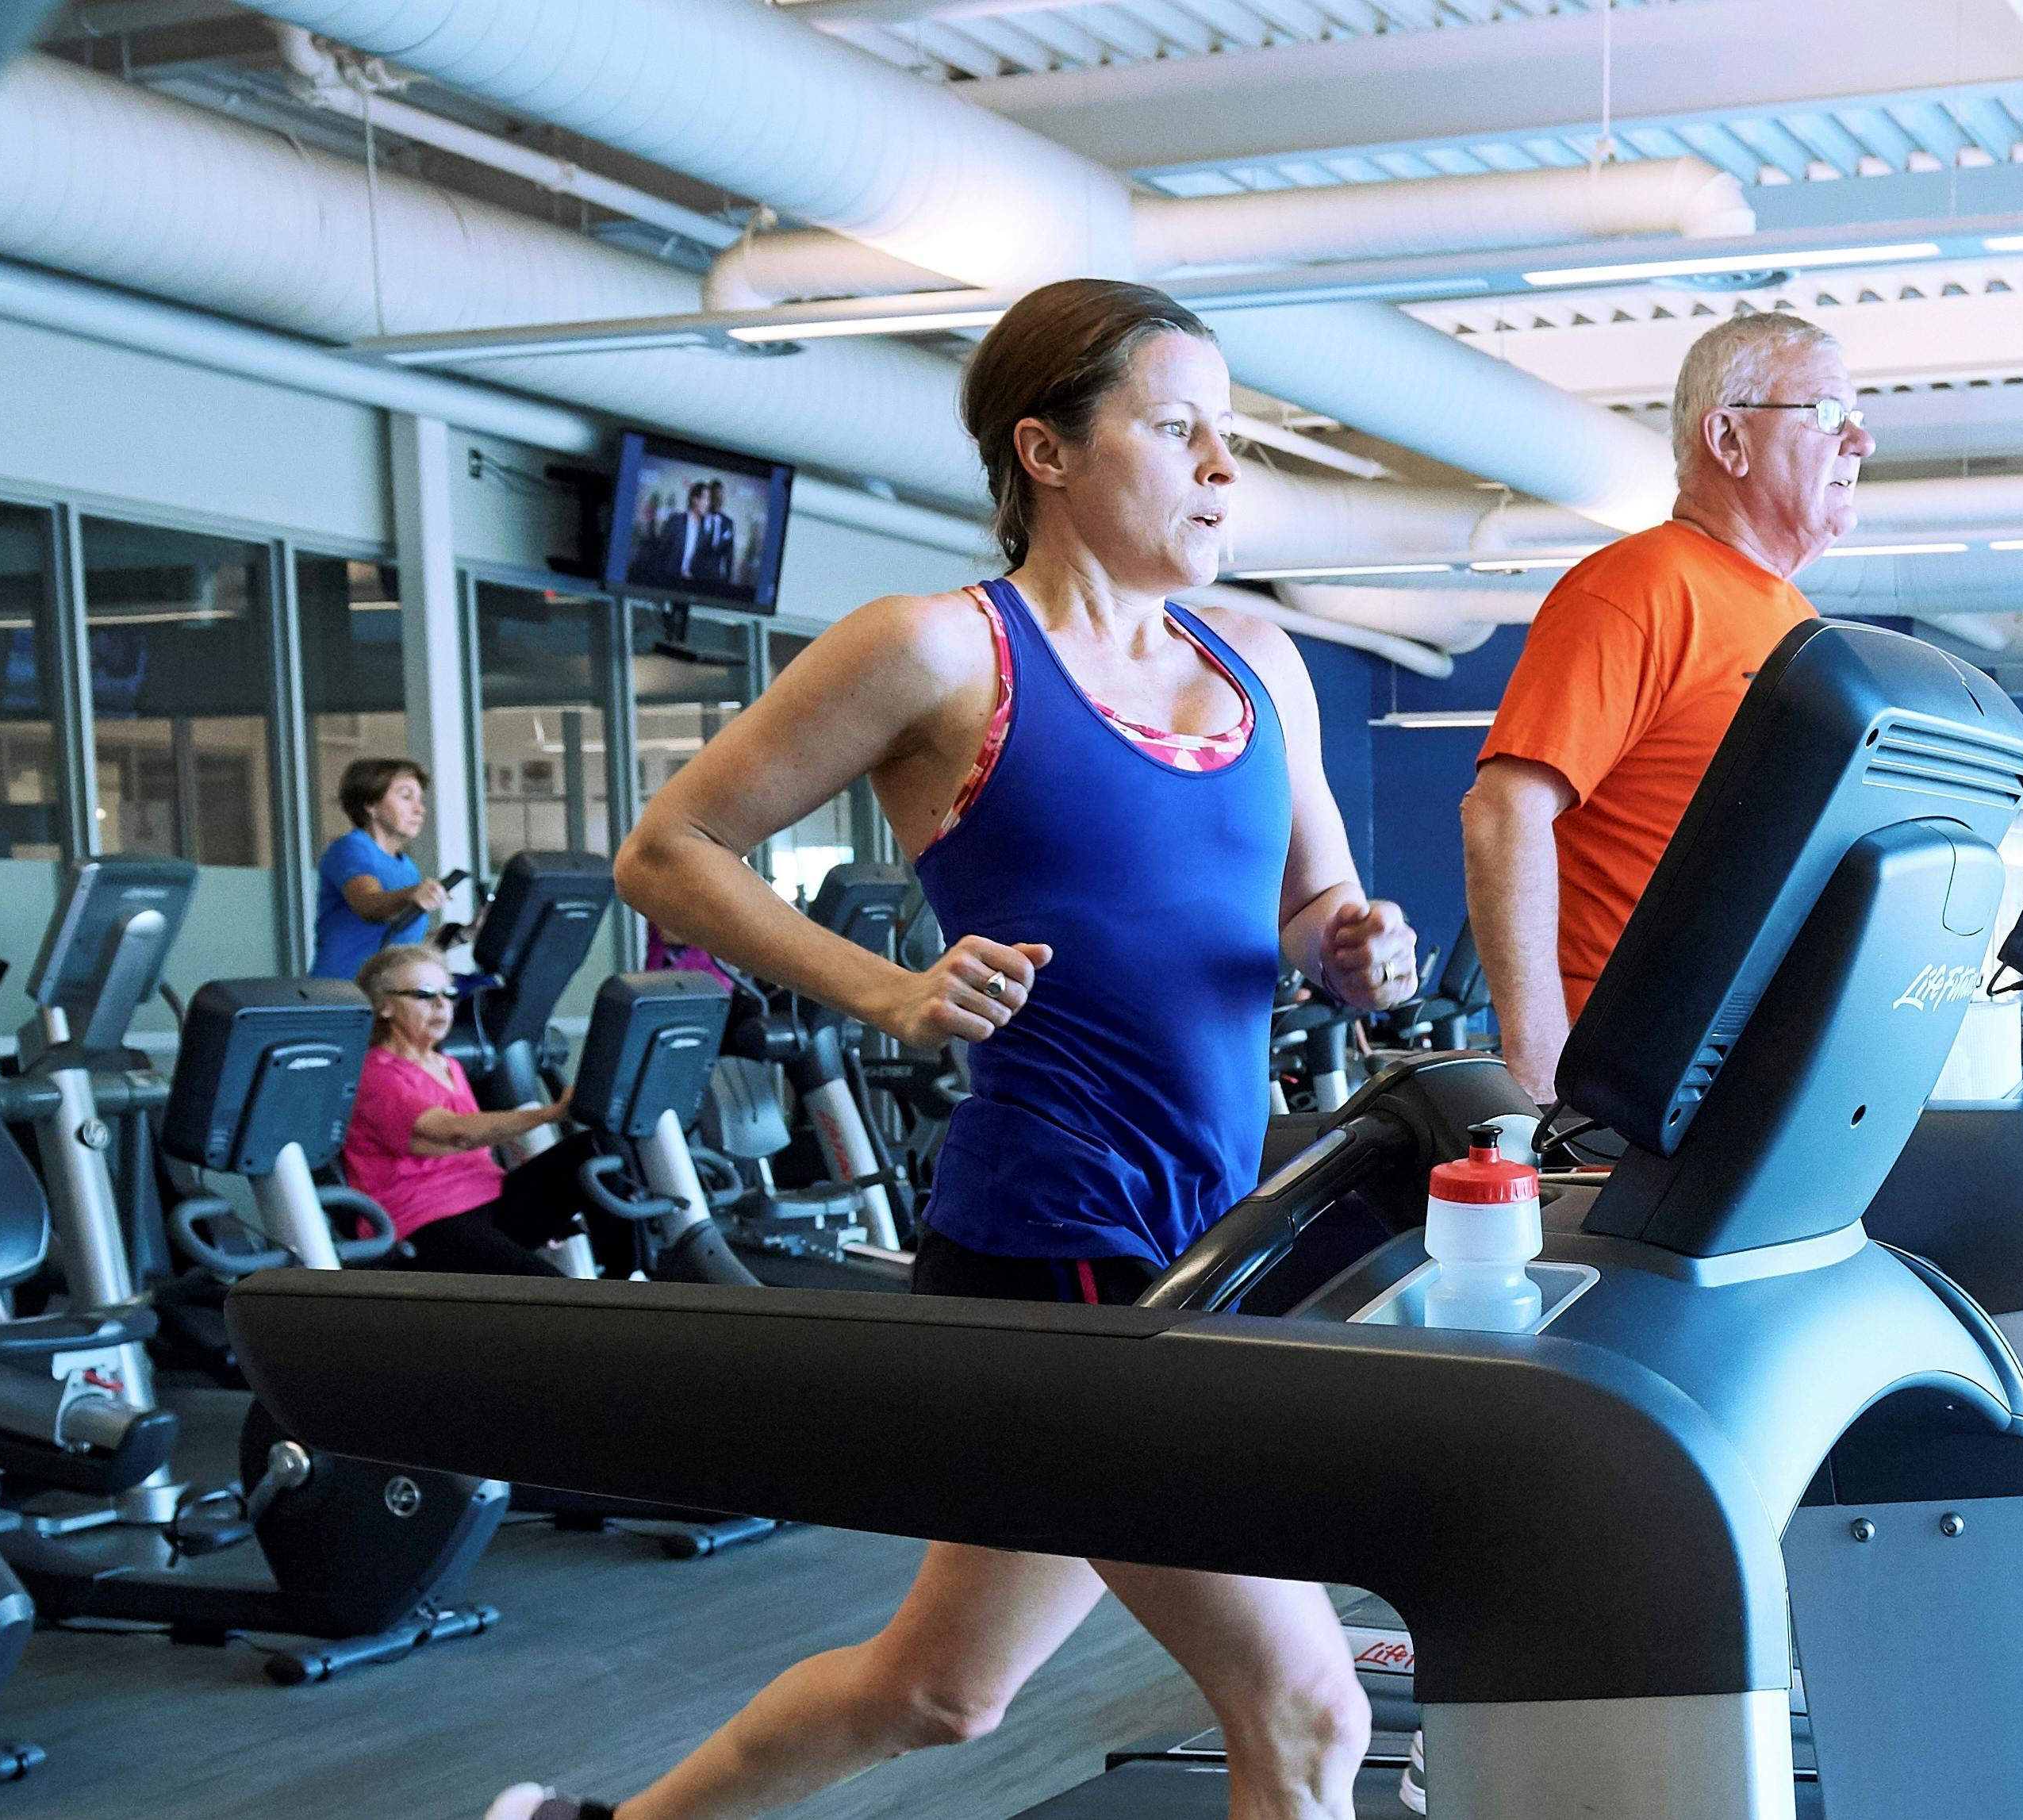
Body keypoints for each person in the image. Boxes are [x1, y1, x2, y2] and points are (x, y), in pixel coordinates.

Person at [489, 277, 1417, 1820]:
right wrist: (887, 990)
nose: (1219, 468)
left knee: (943, 1687)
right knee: (1307, 1711)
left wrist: (1354, 944)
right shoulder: (942, 653)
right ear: (1045, 451)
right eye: (1177, 429)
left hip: (1214, 1231)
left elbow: (1319, 908)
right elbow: (672, 848)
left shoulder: (1263, 662)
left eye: (1229, 438)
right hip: (1064, 1240)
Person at [1461, 311, 1868, 1104]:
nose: (1858, 440)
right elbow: (1501, 812)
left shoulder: (1795, 620)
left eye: (1856, 417)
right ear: (1728, 440)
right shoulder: (1640, 585)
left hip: (1737, 1079)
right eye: (1824, 412)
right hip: (1628, 1087)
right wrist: (1541, 1079)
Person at [342, 943, 644, 1278]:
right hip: (425, 1217)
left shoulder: (448, 1065)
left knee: (595, 1149)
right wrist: (550, 1113)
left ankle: (624, 1279)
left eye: (449, 993)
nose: (443, 1005)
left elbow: (476, 1146)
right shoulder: (376, 1073)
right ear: (383, 1006)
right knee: (549, 1287)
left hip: (492, 1196)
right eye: (425, 995)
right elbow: (452, 1135)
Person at [311, 758, 447, 981]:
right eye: (405, 797)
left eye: (420, 800)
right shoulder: (351, 848)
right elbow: (368, 905)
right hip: (343, 996)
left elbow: (404, 947)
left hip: (383, 995)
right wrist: (411, 894)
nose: (419, 810)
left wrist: (465, 933)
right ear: (371, 805)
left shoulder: (407, 866)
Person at [687, 478, 737, 587]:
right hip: (695, 575)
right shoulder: (698, 518)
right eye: (715, 495)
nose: (719, 499)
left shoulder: (728, 523)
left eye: (721, 495)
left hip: (716, 578)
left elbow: (730, 555)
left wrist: (728, 582)